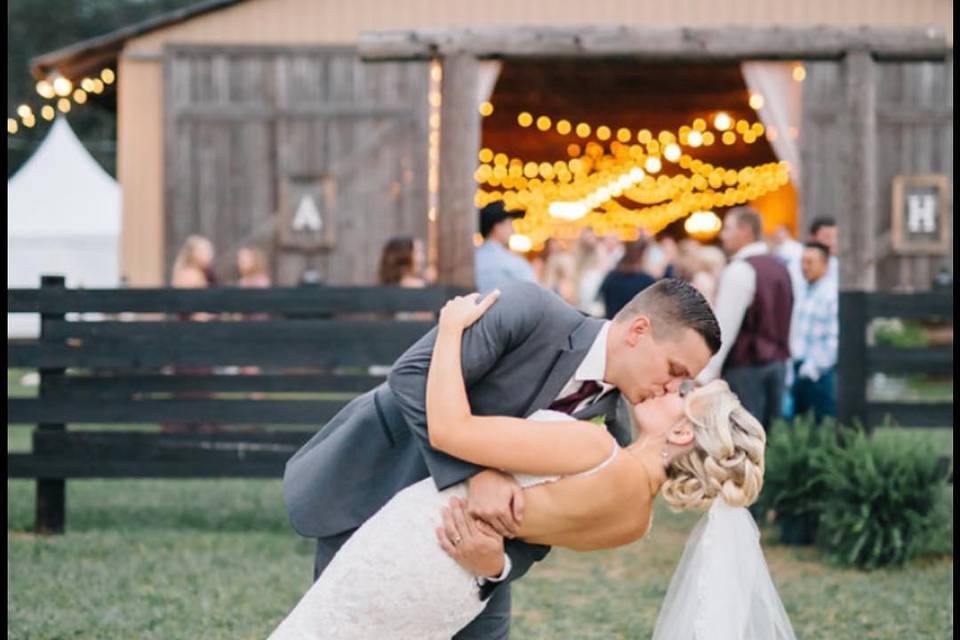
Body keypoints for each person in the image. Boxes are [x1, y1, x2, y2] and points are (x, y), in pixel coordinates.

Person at [270, 288, 795, 639]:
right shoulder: (531, 312)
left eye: (684, 387)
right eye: (674, 370)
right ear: (637, 332)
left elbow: (543, 530)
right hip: (381, 488)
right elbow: (411, 377)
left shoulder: (610, 432)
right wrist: (473, 474)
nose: (671, 387)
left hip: (472, 565)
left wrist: (494, 565)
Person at [696, 207, 793, 434]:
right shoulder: (782, 268)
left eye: (728, 228)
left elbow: (723, 328)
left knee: (743, 440)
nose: (723, 235)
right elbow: (791, 321)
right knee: (770, 440)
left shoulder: (740, 269)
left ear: (745, 231)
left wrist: (705, 374)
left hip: (746, 368)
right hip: (777, 365)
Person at [164, 234, 218, 433]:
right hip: (194, 342)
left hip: (188, 342)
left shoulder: (193, 273)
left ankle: (189, 426)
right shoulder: (192, 275)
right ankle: (195, 427)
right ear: (194, 253)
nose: (210, 254)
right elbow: (198, 312)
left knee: (190, 388)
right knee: (196, 387)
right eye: (206, 250)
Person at [789, 242, 839, 422]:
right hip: (799, 368)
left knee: (822, 424)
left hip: (820, 372)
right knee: (799, 426)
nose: (805, 267)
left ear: (825, 265)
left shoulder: (831, 294)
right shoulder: (804, 291)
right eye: (803, 262)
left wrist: (814, 368)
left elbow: (834, 338)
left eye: (810, 262)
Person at [474, 201, 537, 293]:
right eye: (509, 225)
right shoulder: (513, 262)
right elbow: (534, 293)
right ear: (497, 227)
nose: (513, 231)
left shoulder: (472, 258)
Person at [598, 239, 657, 318]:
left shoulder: (612, 276)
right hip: (635, 327)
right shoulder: (648, 281)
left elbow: (600, 296)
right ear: (642, 255)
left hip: (611, 323)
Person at [538, 238, 578, 306]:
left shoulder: (563, 259)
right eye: (551, 246)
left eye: (556, 246)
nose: (554, 248)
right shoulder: (541, 263)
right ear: (547, 248)